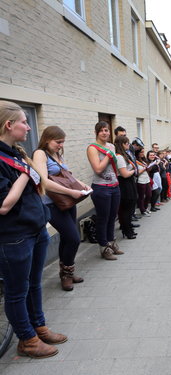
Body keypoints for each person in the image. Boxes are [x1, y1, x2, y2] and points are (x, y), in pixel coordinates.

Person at [0, 100, 67, 358]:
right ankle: (27, 340)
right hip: (15, 236)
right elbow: (4, 205)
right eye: (24, 122)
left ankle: (39, 327)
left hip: (36, 229)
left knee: (34, 285)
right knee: (17, 293)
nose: (29, 127)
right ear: (9, 125)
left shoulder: (14, 152)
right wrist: (27, 174)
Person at [33, 126, 90, 291]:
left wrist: (82, 185)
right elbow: (43, 181)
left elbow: (67, 176)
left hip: (66, 202)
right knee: (73, 238)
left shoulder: (57, 154)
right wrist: (71, 191)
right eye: (58, 142)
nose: (61, 145)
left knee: (67, 238)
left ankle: (67, 273)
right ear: (47, 139)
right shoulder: (40, 154)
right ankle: (66, 274)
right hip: (51, 205)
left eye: (63, 142)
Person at [87, 121, 123, 260]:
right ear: (96, 132)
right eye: (101, 130)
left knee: (112, 217)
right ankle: (104, 247)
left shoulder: (111, 146)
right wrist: (108, 156)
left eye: (107, 130)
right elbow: (98, 169)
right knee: (103, 218)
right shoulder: (92, 148)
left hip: (114, 186)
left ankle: (111, 242)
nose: (105, 133)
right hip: (101, 188)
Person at [114, 135, 137, 239]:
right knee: (126, 209)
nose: (128, 145)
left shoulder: (125, 155)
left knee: (130, 207)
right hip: (125, 183)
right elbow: (124, 174)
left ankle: (128, 228)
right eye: (126, 143)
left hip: (129, 182)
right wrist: (134, 171)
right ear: (121, 145)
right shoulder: (119, 157)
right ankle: (127, 230)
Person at [135, 147, 152, 216]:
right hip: (140, 180)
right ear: (137, 153)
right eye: (141, 152)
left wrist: (149, 166)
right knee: (141, 196)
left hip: (147, 179)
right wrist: (145, 168)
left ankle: (145, 207)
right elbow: (137, 172)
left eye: (143, 152)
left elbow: (148, 169)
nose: (143, 154)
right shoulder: (135, 161)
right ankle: (142, 210)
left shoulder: (143, 160)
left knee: (149, 194)